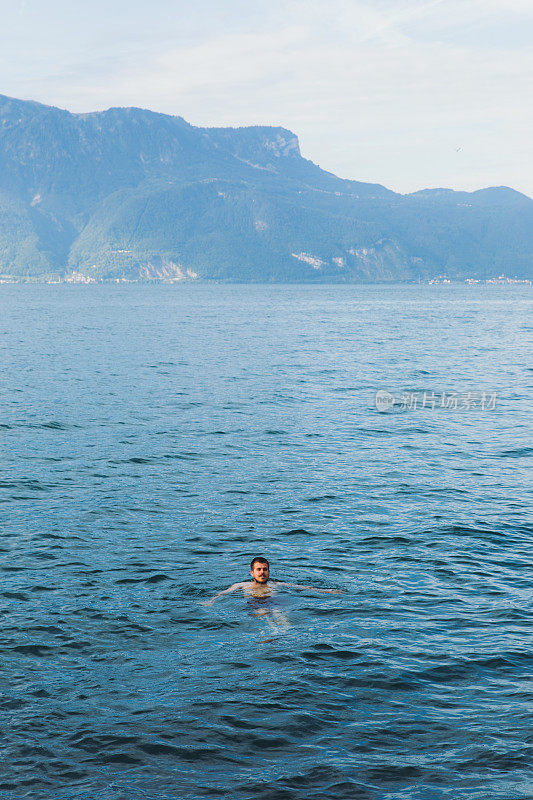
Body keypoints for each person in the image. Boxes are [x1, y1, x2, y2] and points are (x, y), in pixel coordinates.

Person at [201, 556, 341, 607]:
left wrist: (327, 591)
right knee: (265, 616)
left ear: (269, 571)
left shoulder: (277, 584)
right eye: (259, 569)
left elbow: (304, 587)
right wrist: (211, 601)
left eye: (265, 569)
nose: (262, 572)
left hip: (274, 604)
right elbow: (223, 593)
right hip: (254, 605)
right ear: (252, 572)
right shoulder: (241, 585)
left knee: (284, 622)